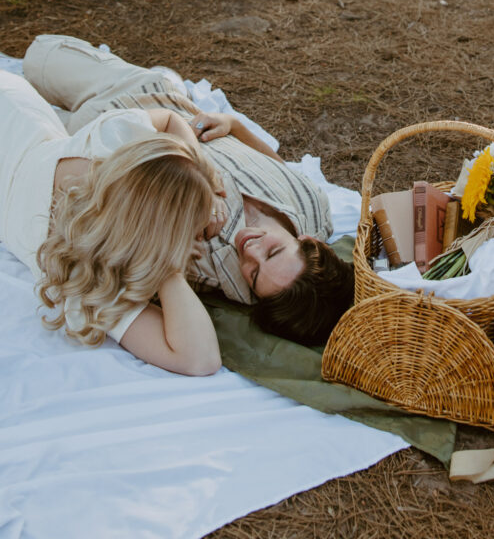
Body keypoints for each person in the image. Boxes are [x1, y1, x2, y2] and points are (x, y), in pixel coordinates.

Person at [22, 35, 355, 346]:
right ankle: (165, 78)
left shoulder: (218, 272)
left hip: (92, 143)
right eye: (272, 252)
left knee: (15, 112)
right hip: (147, 95)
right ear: (308, 242)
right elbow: (277, 167)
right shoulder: (314, 208)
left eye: (253, 275)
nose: (250, 251)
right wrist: (234, 125)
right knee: (37, 54)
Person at [0, 69, 226, 375]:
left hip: (15, 111)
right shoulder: (87, 272)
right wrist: (168, 264)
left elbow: (169, 122)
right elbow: (199, 359)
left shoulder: (113, 146)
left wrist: (203, 184)